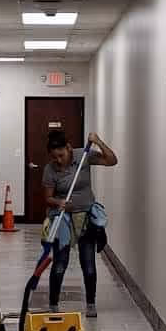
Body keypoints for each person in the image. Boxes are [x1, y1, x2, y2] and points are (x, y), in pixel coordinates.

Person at [42, 128, 118, 318]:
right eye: (54, 157)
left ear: (68, 148)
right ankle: (53, 304)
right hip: (63, 219)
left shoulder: (83, 156)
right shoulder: (50, 169)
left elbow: (111, 160)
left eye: (61, 155)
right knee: (60, 264)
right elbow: (48, 198)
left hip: (85, 218)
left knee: (89, 264)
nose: (58, 160)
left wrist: (98, 141)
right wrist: (59, 202)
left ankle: (91, 304)